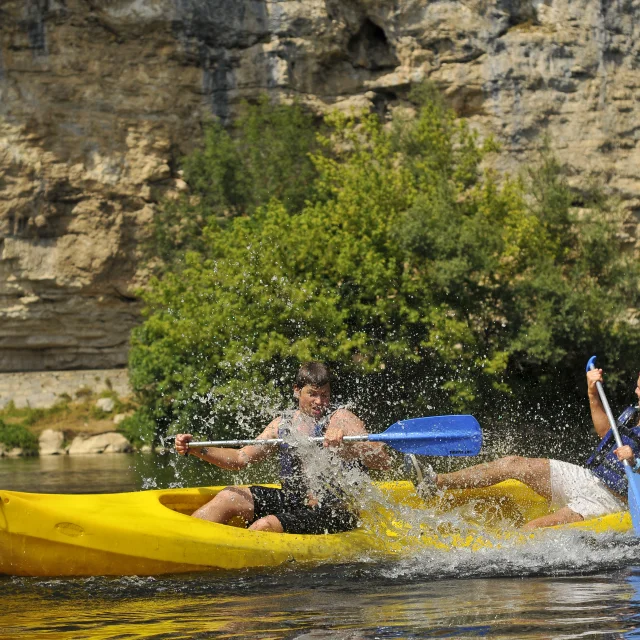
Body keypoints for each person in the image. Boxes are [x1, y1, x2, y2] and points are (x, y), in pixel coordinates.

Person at [175, 361, 391, 534]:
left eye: (324, 395)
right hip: (293, 501)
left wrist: (348, 446)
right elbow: (240, 458)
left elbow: (384, 462)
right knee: (228, 497)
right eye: (312, 394)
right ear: (297, 391)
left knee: (264, 526)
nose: (319, 401)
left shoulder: (342, 418)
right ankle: (183, 541)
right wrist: (196, 448)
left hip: (334, 512)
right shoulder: (283, 424)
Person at [414, 367, 640, 530]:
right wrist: (592, 393)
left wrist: (636, 461)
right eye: (638, 387)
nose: (638, 393)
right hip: (588, 478)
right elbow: (607, 435)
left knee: (532, 529)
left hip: (612, 501)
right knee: (512, 463)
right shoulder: (635, 414)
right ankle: (435, 483)